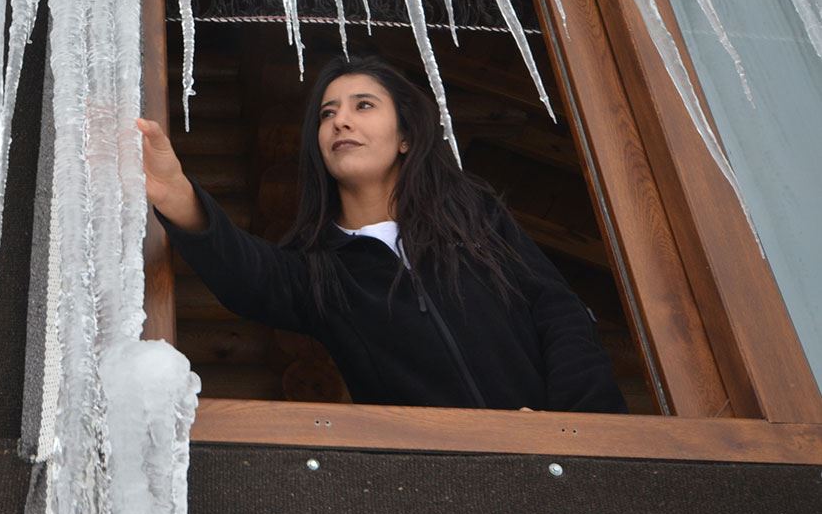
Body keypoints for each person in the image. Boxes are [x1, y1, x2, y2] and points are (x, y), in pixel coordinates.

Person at [137, 54, 627, 413]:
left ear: (406, 137)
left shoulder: (474, 219)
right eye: (327, 114)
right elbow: (249, 274)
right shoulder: (319, 271)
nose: (340, 120)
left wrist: (572, 429)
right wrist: (176, 193)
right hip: (437, 491)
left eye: (363, 105)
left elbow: (558, 311)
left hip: (566, 459)